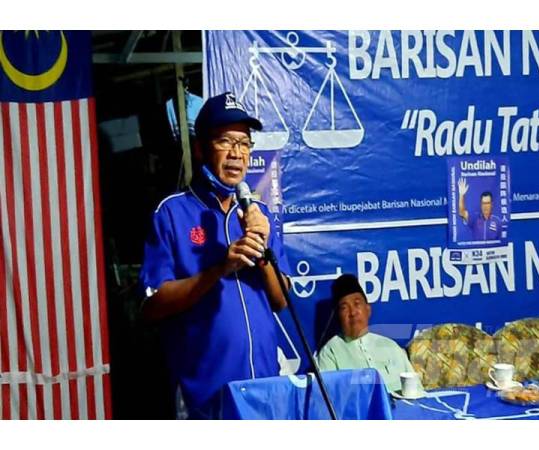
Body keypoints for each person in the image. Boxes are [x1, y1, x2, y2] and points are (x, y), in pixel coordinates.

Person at [139, 92, 290, 418]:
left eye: (244, 143)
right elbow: (152, 306)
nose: (237, 153)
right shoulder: (172, 212)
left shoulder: (259, 214)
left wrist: (262, 252)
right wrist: (221, 268)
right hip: (206, 396)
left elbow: (281, 299)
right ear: (199, 148)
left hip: (266, 387)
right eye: (225, 141)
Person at [317, 274, 423, 395]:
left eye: (357, 304)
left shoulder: (391, 346)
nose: (352, 313)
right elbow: (329, 400)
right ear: (338, 316)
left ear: (368, 310)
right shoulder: (330, 353)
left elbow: (417, 390)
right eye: (344, 308)